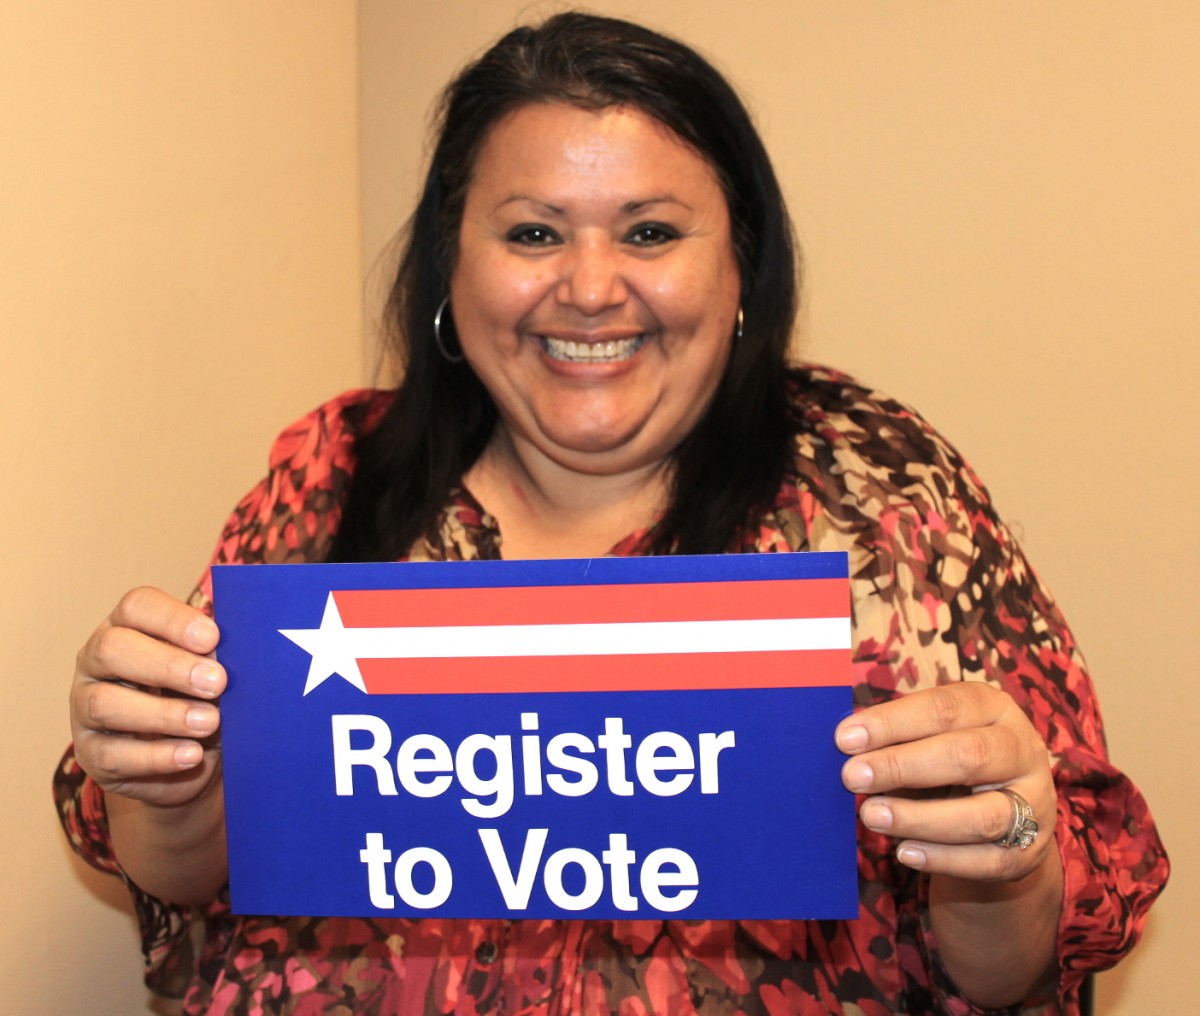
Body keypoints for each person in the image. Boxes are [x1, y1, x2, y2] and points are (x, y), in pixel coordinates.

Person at [57, 12, 1166, 1015]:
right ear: (454, 264)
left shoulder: (891, 501)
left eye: (648, 233)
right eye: (535, 233)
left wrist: (1013, 849)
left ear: (741, 271)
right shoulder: (330, 481)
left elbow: (1013, 970)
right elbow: (189, 870)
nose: (590, 288)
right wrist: (160, 773)